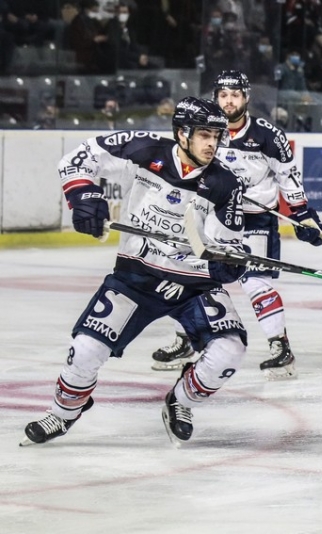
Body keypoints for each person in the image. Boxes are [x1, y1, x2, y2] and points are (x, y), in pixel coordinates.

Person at [21, 97, 249, 446]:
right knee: (85, 349)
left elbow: (229, 243)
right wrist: (83, 198)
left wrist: (228, 262)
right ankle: (64, 413)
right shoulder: (143, 149)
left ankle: (181, 401)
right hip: (135, 277)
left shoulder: (225, 184)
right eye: (204, 134)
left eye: (217, 136)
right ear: (181, 132)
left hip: (191, 284)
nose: (211, 144)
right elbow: (77, 159)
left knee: (230, 349)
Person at [151, 70, 322, 380]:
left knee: (255, 281)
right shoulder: (205, 133)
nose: (229, 101)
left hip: (256, 219)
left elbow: (288, 176)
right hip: (215, 217)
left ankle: (280, 347)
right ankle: (187, 341)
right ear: (216, 98)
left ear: (246, 98)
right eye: (223, 95)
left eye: (235, 95)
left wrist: (302, 214)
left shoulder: (268, 136)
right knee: (191, 276)